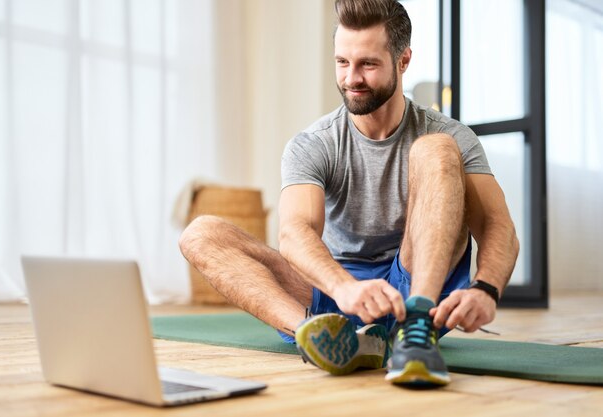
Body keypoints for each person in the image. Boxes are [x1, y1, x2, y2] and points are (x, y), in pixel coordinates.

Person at [179, 0, 519, 386]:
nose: (351, 78)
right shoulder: (314, 143)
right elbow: (294, 231)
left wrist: (486, 288)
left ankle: (416, 331)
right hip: (339, 294)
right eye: (342, 62)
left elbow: (497, 225)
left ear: (403, 60)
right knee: (200, 233)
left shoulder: (450, 134)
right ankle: (319, 336)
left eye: (368, 64)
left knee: (436, 148)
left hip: (414, 286)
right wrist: (344, 288)